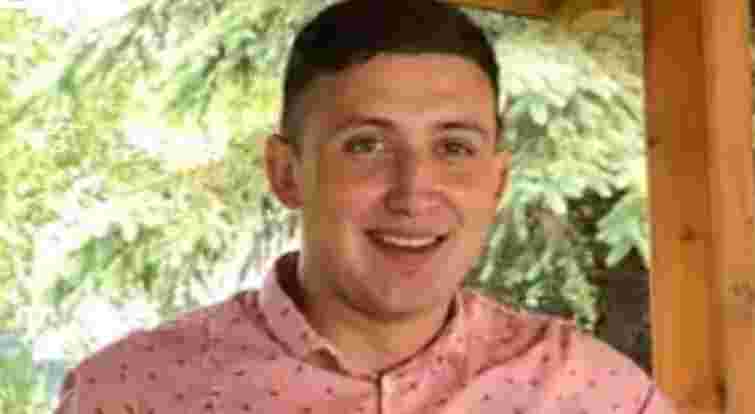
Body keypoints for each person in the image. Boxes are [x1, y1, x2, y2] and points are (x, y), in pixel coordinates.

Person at [56, 1, 679, 413]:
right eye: (366, 145)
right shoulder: (130, 396)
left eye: (454, 147)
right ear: (286, 173)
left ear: (497, 180)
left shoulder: (600, 397)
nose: (413, 192)